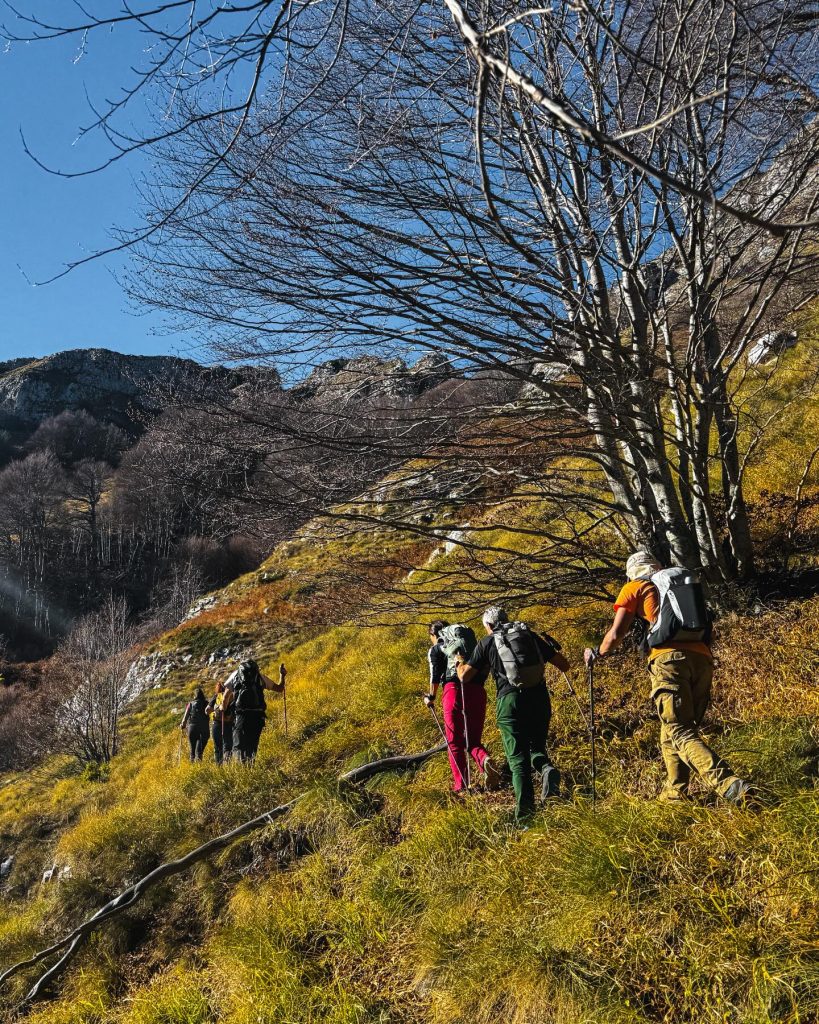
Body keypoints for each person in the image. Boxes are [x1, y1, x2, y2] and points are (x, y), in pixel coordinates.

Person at [584, 550, 752, 804]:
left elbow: (616, 634)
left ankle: (730, 785)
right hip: (702, 659)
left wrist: (596, 652)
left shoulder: (635, 587)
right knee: (670, 732)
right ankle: (675, 794)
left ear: (632, 572)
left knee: (680, 730)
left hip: (668, 660)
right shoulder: (680, 585)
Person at [457, 606, 568, 821]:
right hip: (539, 698)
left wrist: (460, 662)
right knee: (536, 747)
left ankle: (525, 818)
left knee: (518, 761)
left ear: (488, 626)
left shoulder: (487, 641)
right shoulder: (528, 635)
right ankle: (546, 769)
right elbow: (564, 665)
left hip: (510, 702)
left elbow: (465, 677)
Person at [423, 620, 502, 794]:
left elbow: (435, 675)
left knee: (455, 742)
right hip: (477, 691)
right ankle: (484, 760)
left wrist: (431, 697)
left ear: (433, 635)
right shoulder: (467, 645)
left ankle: (462, 785)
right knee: (473, 740)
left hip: (453, 691)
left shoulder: (437, 648)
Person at [224, 659, 286, 763]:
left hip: (241, 716)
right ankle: (250, 767)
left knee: (239, 745)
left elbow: (226, 696)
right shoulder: (260, 676)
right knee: (252, 745)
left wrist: (224, 710)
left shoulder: (235, 675)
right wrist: (282, 675)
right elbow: (279, 688)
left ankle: (241, 771)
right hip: (258, 716)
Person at [207, 678, 234, 766]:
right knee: (228, 746)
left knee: (218, 747)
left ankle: (219, 767)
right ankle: (228, 765)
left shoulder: (216, 696)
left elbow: (207, 710)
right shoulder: (233, 695)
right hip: (230, 724)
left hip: (217, 724)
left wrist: (215, 709)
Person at [180, 687, 210, 762]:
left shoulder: (190, 704)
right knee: (199, 752)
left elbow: (184, 719)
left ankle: (192, 767)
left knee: (192, 751)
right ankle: (199, 766)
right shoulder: (207, 703)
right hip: (204, 729)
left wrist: (182, 725)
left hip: (192, 728)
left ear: (195, 696)